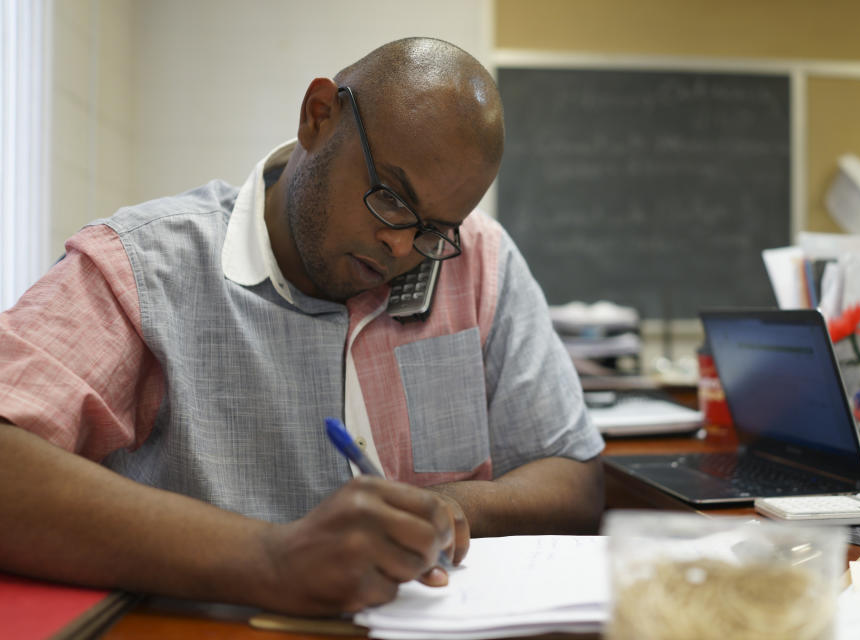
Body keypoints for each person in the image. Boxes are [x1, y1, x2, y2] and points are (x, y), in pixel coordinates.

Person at [0, 37, 604, 615]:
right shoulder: (144, 268)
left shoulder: (477, 260)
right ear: (318, 117)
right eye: (390, 197)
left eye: (432, 229)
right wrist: (270, 559)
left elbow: (574, 478)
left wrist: (447, 505)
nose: (399, 246)